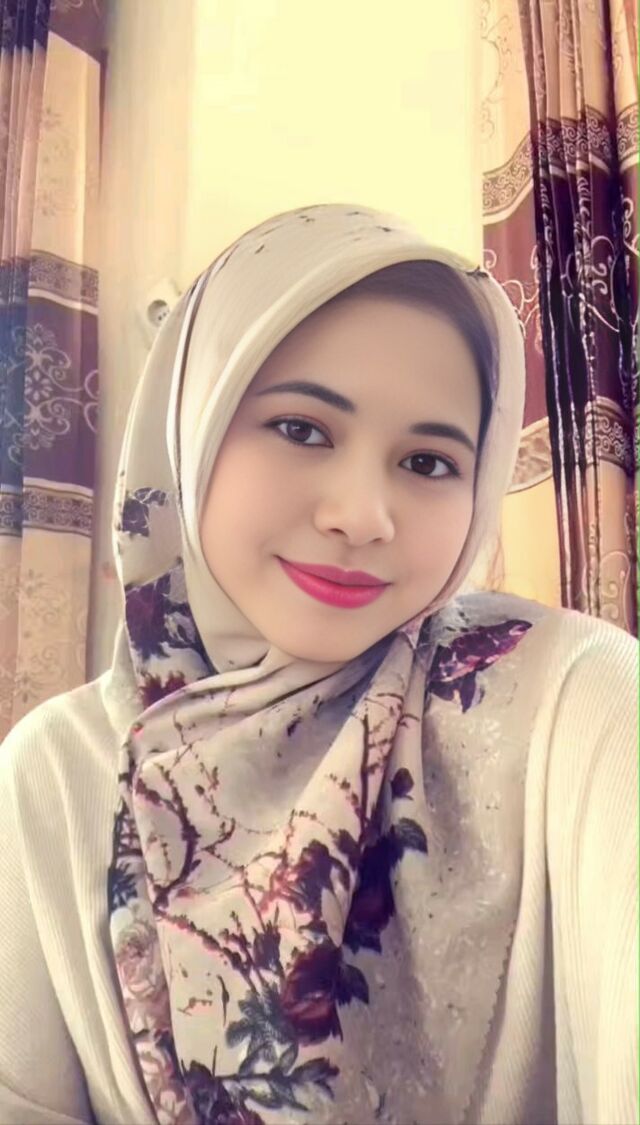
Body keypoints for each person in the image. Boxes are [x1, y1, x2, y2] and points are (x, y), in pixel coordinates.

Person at [0, 203, 636, 1125]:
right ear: (190, 429)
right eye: (302, 429)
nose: (362, 515)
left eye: (428, 461)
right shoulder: (58, 774)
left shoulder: (574, 702)